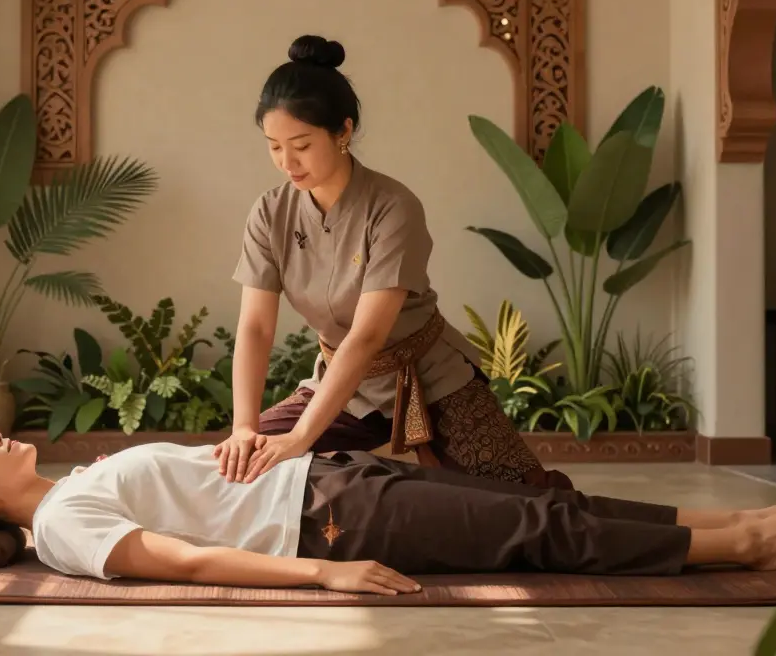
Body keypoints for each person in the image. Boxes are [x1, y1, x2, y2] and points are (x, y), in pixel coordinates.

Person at [222, 33, 565, 489]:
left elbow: (366, 337)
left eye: (301, 145)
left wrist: (302, 437)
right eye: (273, 145)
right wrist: (244, 428)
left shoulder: (392, 207)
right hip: (340, 391)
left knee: (530, 505)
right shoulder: (270, 212)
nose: (287, 162)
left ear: (343, 131)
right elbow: (255, 328)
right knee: (238, 472)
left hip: (430, 380)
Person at [0, 432, 776, 595]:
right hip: (327, 524)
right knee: (540, 537)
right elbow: (181, 562)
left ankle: (702, 522)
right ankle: (740, 544)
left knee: (546, 499)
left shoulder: (72, 488)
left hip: (329, 478)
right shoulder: (62, 528)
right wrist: (323, 573)